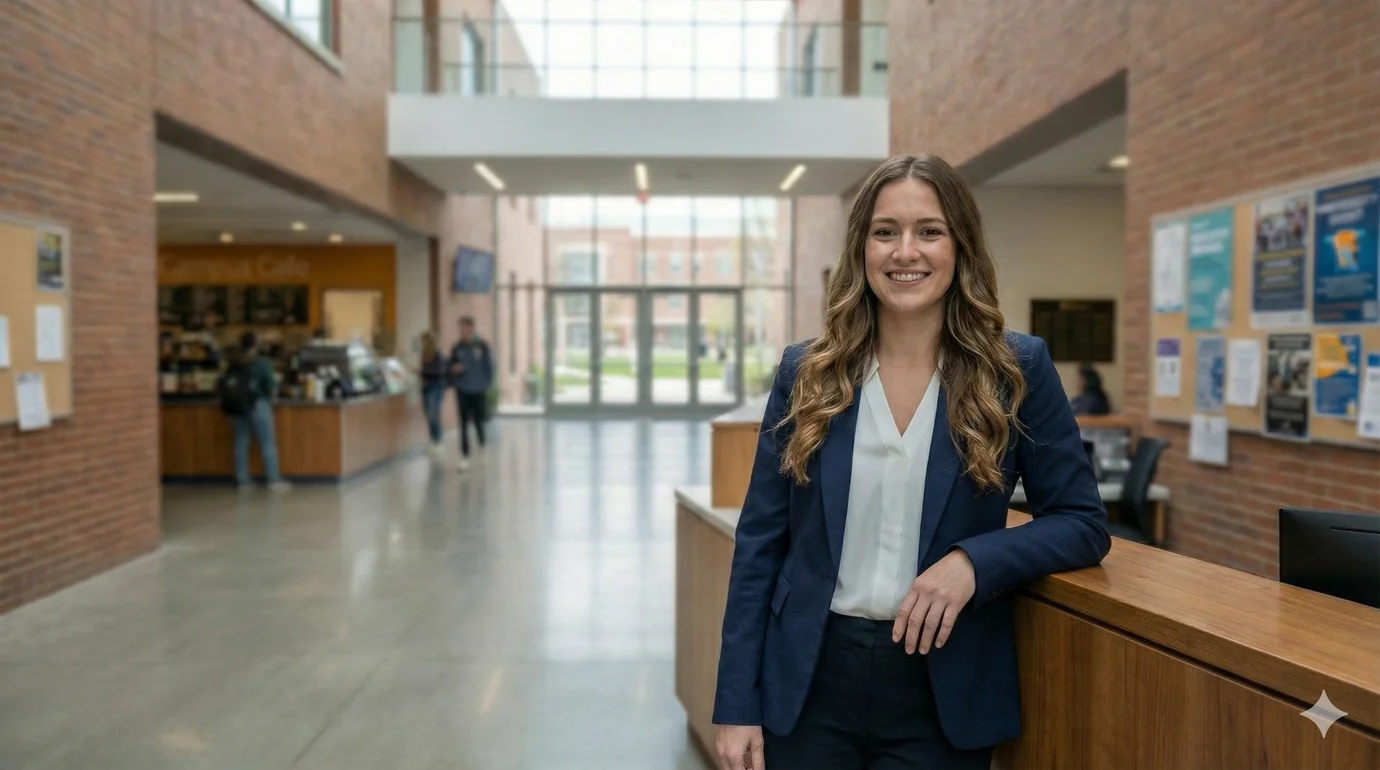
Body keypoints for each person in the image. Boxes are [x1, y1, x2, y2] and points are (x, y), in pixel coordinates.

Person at [712, 155, 1110, 770]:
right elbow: (761, 542)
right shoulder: (807, 372)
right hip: (809, 679)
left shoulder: (1015, 370)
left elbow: (1082, 522)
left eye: (929, 231)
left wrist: (973, 563)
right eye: (884, 231)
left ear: (960, 246)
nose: (905, 252)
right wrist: (737, 702)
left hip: (943, 686)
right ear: (861, 249)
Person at [220, 331, 291, 492]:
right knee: (267, 442)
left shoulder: (234, 361)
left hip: (237, 406)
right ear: (256, 345)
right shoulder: (262, 363)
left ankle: (242, 479)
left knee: (241, 442)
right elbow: (271, 386)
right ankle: (273, 479)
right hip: (258, 404)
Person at [448, 316, 493, 471]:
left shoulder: (482, 346)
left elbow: (489, 367)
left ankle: (482, 449)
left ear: (472, 329)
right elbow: (450, 367)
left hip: (479, 390)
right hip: (462, 390)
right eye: (460, 328)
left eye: (464, 328)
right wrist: (454, 371)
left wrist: (486, 384)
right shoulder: (456, 348)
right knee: (463, 424)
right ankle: (464, 457)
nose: (462, 331)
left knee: (479, 422)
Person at [417, 331, 448, 458]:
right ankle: (432, 440)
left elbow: (437, 372)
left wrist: (421, 372)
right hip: (426, 387)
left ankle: (439, 440)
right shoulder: (424, 355)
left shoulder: (437, 355)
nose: (422, 344)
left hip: (436, 387)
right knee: (428, 414)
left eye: (423, 341)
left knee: (433, 413)